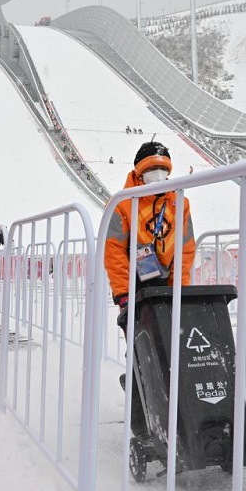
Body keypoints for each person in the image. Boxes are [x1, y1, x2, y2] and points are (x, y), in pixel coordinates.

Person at [103, 141, 195, 438]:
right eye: (151, 171)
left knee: (171, 351)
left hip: (166, 287)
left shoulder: (179, 201)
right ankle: (143, 424)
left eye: (162, 171)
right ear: (138, 173)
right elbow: (113, 252)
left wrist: (179, 290)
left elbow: (185, 249)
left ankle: (177, 418)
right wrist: (123, 294)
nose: (157, 176)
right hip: (136, 287)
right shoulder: (122, 204)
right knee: (142, 351)